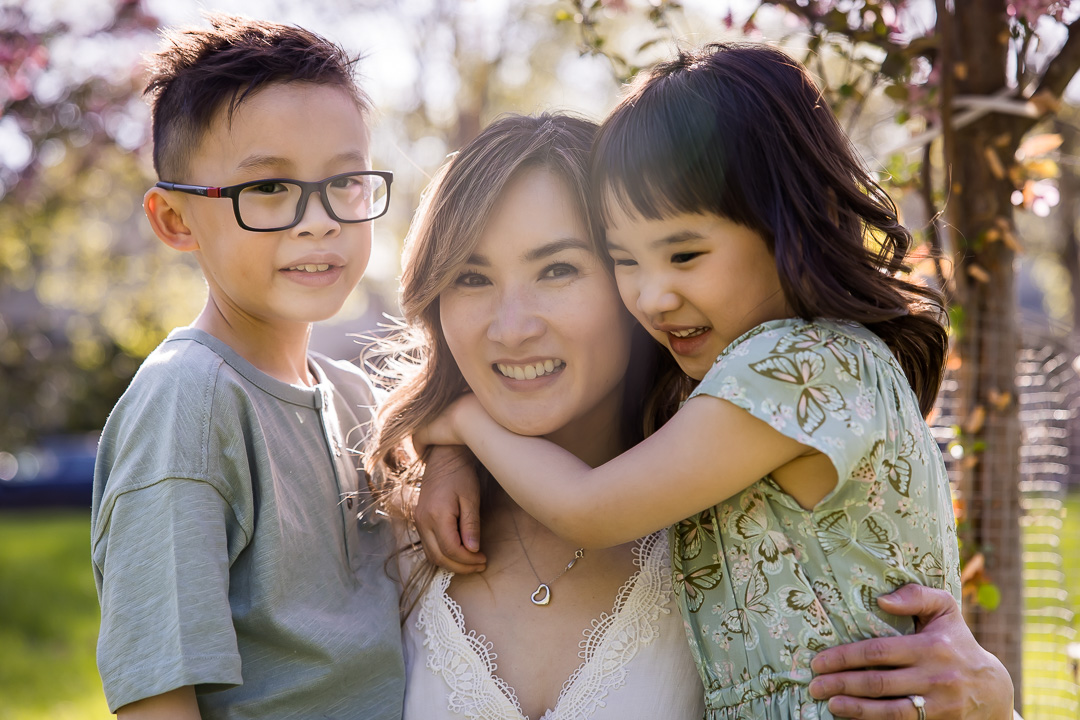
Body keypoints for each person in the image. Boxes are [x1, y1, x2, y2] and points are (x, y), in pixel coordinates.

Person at [413, 44, 1003, 719]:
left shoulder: (799, 366)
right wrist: (448, 452)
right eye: (625, 260)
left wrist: (461, 423)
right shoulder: (740, 401)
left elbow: (589, 509)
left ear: (786, 224)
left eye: (685, 254)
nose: (653, 296)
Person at [91, 15, 405, 719]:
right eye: (269, 189)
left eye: (345, 181)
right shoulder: (188, 402)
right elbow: (157, 694)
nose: (317, 219)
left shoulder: (355, 399)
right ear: (176, 220)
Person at [367, 113, 707, 720]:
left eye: (557, 270)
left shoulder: (740, 515)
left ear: (635, 283)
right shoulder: (386, 531)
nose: (512, 327)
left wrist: (937, 682)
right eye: (471, 278)